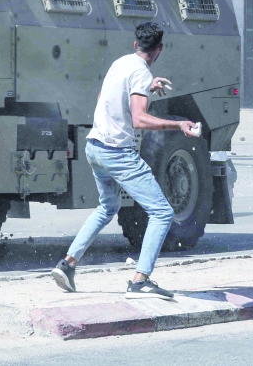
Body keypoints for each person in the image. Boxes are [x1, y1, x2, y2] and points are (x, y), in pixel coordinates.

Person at [51, 22, 196, 301]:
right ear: (160, 49)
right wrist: (177, 126)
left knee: (108, 207)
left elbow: (104, 97)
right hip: (118, 153)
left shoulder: (121, 63)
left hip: (94, 147)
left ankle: (67, 264)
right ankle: (140, 282)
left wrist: (148, 86)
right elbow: (140, 119)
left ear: (135, 45)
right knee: (162, 213)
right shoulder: (141, 72)